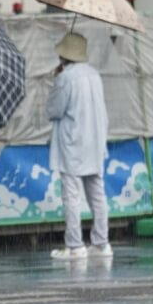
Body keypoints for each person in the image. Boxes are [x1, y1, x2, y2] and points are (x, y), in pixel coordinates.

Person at [47, 32, 111, 261]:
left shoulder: (65, 78)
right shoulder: (94, 75)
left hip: (72, 144)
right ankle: (101, 243)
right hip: (95, 140)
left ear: (63, 55)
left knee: (72, 197)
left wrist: (55, 82)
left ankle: (75, 246)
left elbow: (54, 110)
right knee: (97, 194)